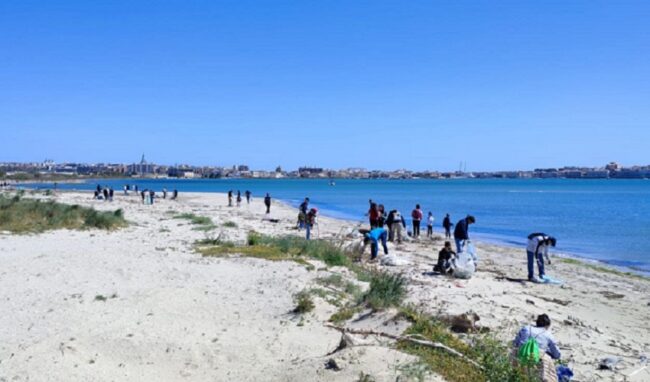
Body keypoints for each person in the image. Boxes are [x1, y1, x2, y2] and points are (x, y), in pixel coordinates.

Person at [513, 314, 561, 382]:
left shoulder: (526, 328)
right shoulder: (548, 334)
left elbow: (515, 343)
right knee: (551, 376)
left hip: (521, 356)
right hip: (538, 359)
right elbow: (557, 354)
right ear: (547, 325)